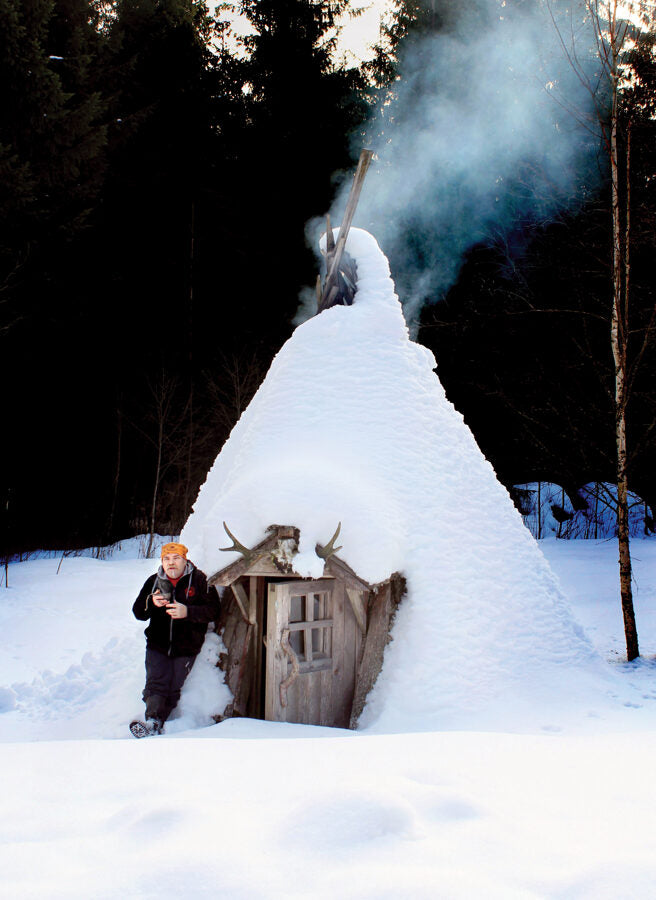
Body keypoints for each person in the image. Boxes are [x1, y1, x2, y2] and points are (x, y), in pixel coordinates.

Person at [131, 542, 220, 736]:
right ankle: (152, 721)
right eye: (166, 559)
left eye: (176, 558)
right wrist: (152, 602)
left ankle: (158, 723)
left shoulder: (200, 581)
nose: (171, 563)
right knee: (155, 683)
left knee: (173, 686)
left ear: (185, 559)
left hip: (187, 646)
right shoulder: (154, 581)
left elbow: (213, 611)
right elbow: (138, 613)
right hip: (157, 644)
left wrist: (187, 611)